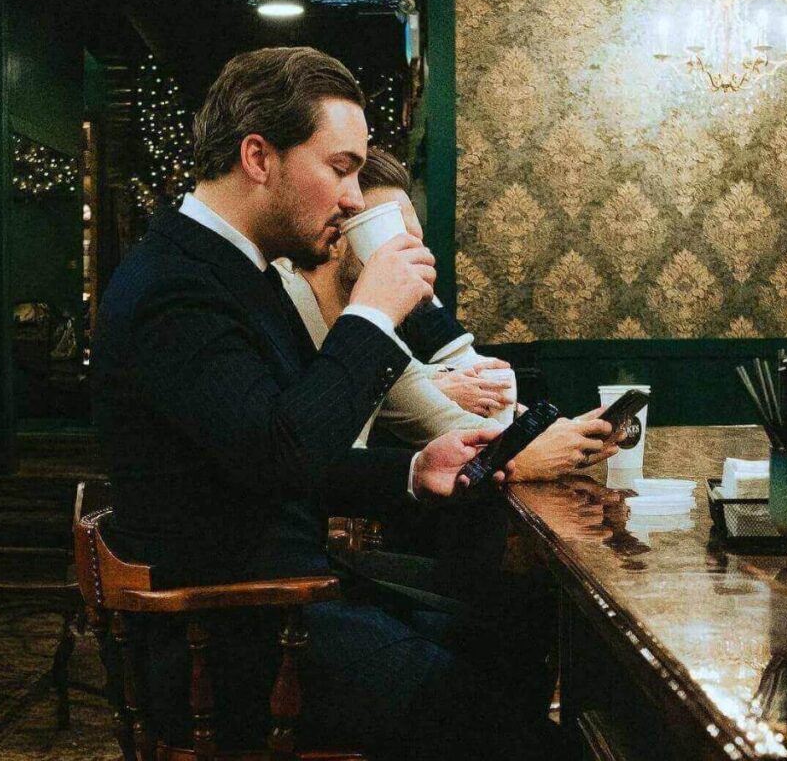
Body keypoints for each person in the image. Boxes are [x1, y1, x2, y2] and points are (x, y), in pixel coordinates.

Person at [92, 47, 565, 760]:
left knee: (518, 617)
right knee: (513, 729)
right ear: (258, 157)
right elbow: (278, 453)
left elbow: (270, 447)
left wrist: (414, 471)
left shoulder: (239, 271)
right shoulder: (174, 286)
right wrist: (371, 314)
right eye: (340, 168)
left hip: (282, 600)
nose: (354, 198)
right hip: (229, 635)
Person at [276, 146, 620, 479]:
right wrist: (522, 456)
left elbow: (449, 422)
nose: (418, 256)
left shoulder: (378, 334)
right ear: (338, 238)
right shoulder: (278, 305)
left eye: (417, 241)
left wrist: (568, 435)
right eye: (397, 240)